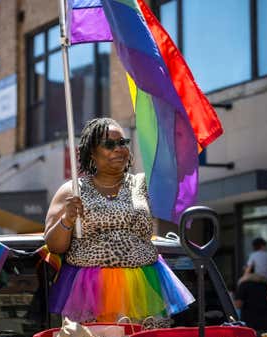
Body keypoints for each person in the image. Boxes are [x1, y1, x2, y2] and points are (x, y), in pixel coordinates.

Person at [45, 117, 195, 324]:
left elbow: (174, 171)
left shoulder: (143, 184)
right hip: (91, 290)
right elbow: (54, 245)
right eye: (109, 144)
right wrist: (67, 218)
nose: (118, 149)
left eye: (122, 143)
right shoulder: (73, 190)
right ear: (91, 153)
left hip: (144, 285)